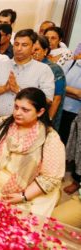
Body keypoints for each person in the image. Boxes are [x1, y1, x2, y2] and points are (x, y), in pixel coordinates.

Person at [0, 87, 65, 217]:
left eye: (25, 110)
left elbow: (49, 178)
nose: (17, 113)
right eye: (16, 107)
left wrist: (23, 196)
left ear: (40, 112)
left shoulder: (50, 138)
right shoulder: (2, 123)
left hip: (27, 190)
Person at [0, 29, 55, 125]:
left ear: (33, 47)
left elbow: (47, 100)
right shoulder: (0, 65)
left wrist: (18, 90)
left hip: (24, 124)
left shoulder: (43, 70)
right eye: (16, 44)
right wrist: (4, 88)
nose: (19, 48)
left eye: (24, 45)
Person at [32, 35, 66, 130]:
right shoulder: (29, 65)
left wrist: (48, 121)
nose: (32, 52)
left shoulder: (55, 69)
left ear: (45, 51)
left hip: (44, 116)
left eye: (36, 50)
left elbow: (57, 98)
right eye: (31, 49)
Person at [59, 58, 81, 194]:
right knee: (60, 141)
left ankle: (76, 180)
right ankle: (57, 171)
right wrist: (76, 92)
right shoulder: (72, 63)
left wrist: (66, 90)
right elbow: (59, 84)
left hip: (77, 113)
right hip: (62, 109)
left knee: (78, 149)